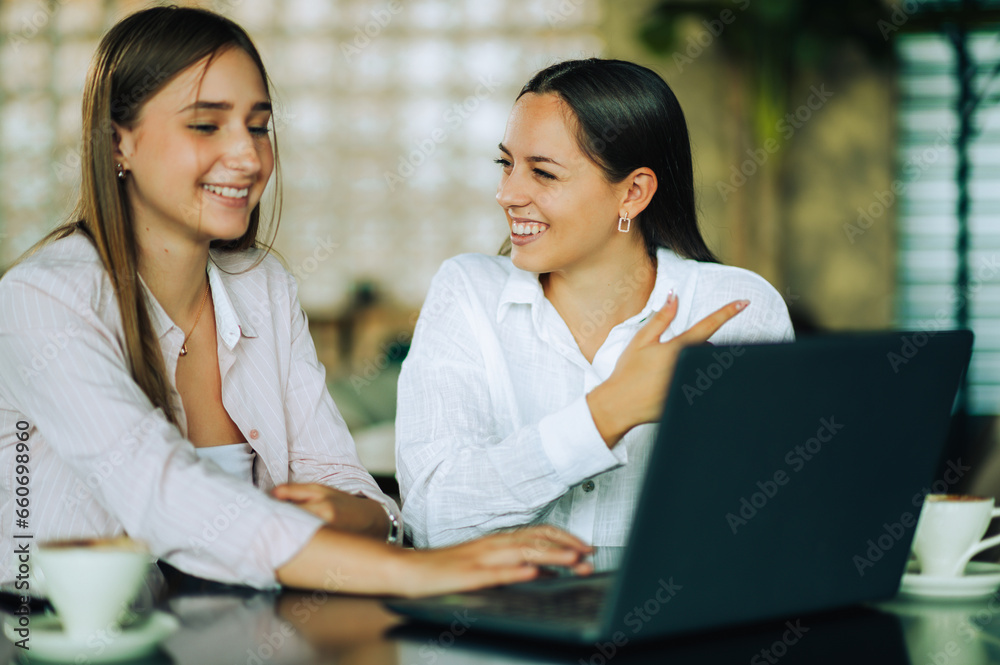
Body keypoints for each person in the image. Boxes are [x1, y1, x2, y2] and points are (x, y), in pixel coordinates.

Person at [0, 6, 589, 596]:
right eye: (206, 125)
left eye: (258, 126)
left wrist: (357, 516)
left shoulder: (262, 284)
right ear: (117, 143)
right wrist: (418, 569)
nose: (248, 157)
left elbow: (348, 487)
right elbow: (162, 496)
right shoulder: (40, 300)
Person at [396, 59, 795, 549]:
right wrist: (604, 415)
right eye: (506, 163)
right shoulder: (467, 292)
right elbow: (432, 518)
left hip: (678, 622)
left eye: (543, 172)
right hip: (496, 621)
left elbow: (765, 528)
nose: (506, 193)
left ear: (633, 192)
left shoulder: (737, 308)